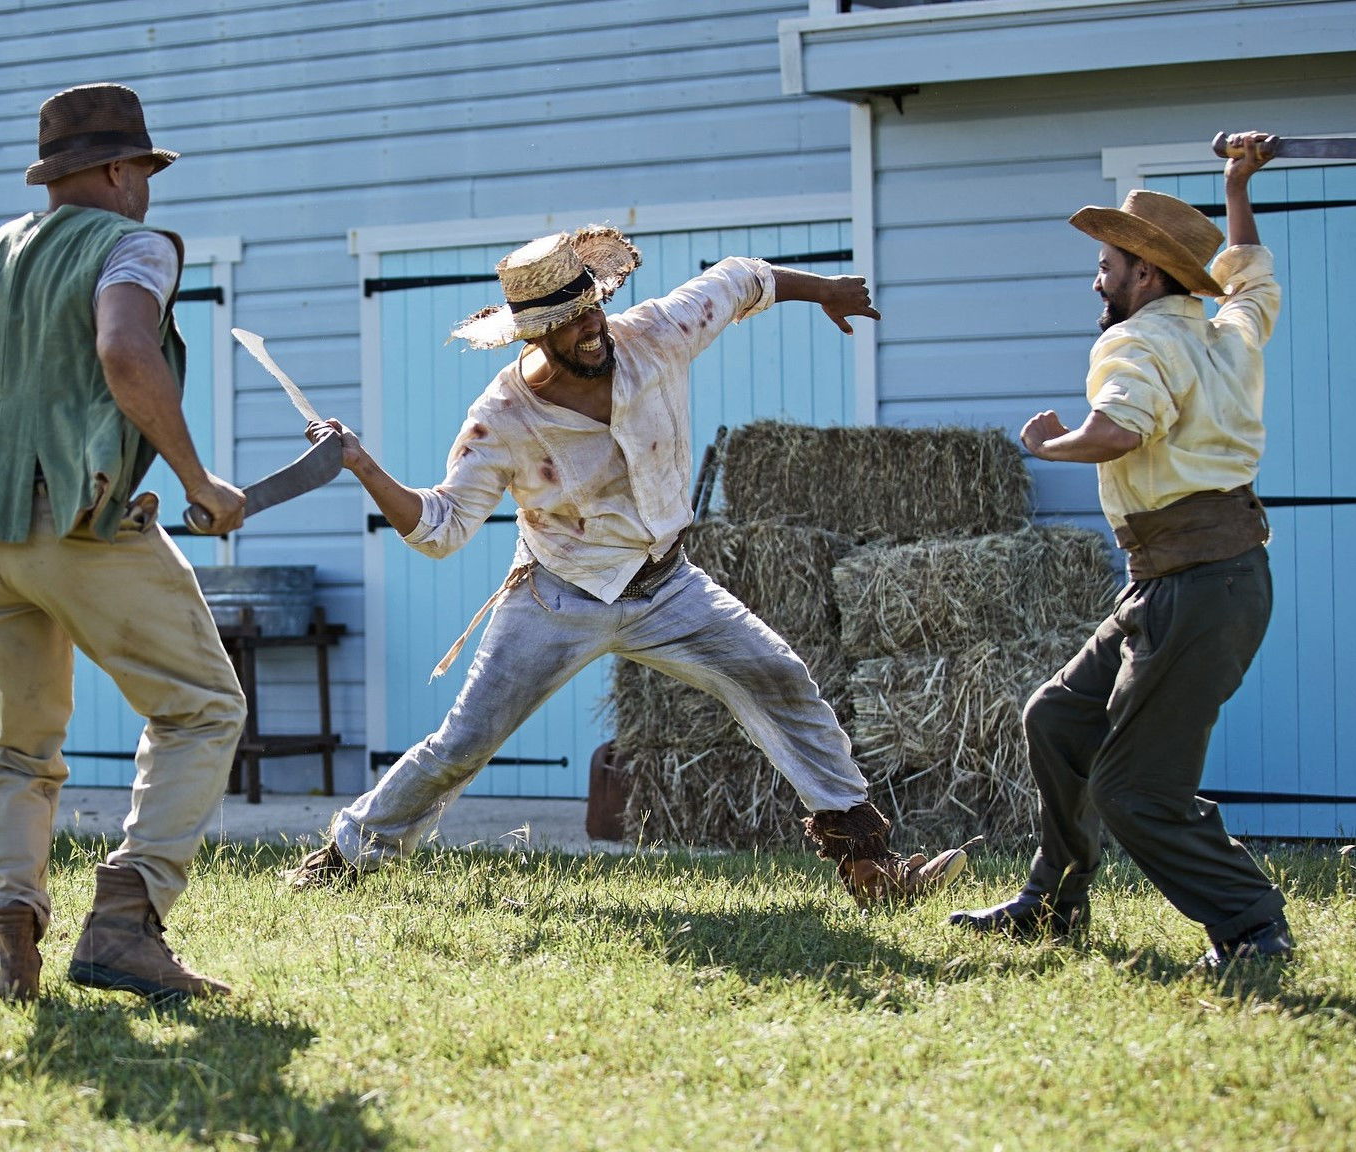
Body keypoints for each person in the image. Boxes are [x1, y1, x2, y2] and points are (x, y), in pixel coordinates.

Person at [286, 227, 973, 907]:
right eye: (566, 322)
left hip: (667, 585)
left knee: (782, 679)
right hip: (557, 595)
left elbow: (739, 278)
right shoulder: (502, 417)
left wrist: (822, 288)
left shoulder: (655, 334)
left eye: (590, 309)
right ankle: (345, 856)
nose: (589, 329)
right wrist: (360, 462)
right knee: (463, 742)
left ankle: (869, 865)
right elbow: (440, 529)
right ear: (532, 334)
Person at [0, 82, 248, 1002]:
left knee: (15, 742)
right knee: (202, 707)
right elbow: (127, 351)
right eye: (147, 172)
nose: (150, 190)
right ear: (123, 170)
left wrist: (18, 319)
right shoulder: (135, 244)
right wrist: (200, 482)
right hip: (72, 515)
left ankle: (13, 946)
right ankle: (126, 923)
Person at [951, 133, 1291, 970]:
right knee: (1060, 719)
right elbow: (1251, 277)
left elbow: (1119, 428)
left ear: (1146, 274)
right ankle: (1053, 906)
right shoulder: (1225, 333)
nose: (1097, 278)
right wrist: (1235, 185)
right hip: (1195, 580)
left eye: (1107, 264)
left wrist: (1054, 443)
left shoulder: (1136, 343)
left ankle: (1252, 927)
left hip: (1196, 588)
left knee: (1137, 790)